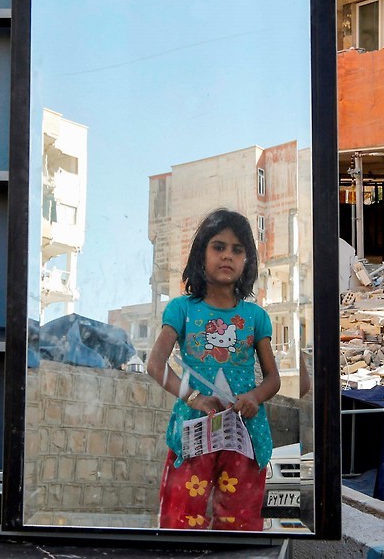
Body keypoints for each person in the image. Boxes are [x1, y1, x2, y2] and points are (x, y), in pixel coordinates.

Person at [145, 208, 279, 531]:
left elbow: (273, 379)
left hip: (243, 437)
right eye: (218, 247)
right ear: (201, 253)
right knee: (181, 522)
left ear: (247, 260)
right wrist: (193, 398)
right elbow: (154, 364)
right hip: (193, 435)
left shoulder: (256, 317)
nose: (227, 256)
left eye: (237, 249)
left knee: (240, 527)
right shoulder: (182, 309)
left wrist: (254, 398)